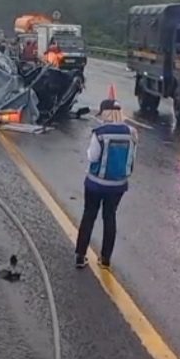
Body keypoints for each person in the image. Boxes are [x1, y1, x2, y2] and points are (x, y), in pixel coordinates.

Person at [74, 98, 136, 270]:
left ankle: (80, 256)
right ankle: (105, 259)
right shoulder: (131, 133)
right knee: (110, 217)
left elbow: (92, 156)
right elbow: (131, 159)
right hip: (118, 185)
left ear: (105, 113)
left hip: (96, 184)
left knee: (89, 216)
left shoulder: (100, 132)